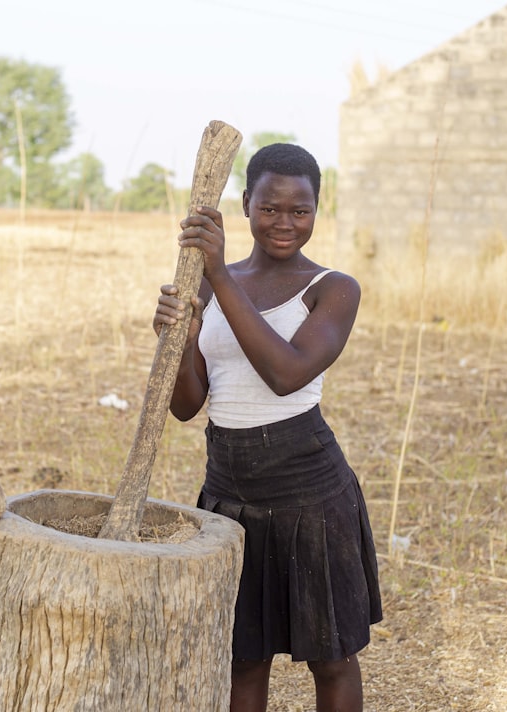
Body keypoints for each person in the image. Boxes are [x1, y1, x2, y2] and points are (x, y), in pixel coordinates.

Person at [153, 143, 382, 712]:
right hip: (228, 494)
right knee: (242, 656)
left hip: (309, 491)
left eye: (299, 211)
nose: (284, 223)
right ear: (246, 205)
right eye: (270, 208)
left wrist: (218, 277)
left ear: (316, 211)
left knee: (330, 657)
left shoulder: (332, 288)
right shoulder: (208, 283)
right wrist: (178, 346)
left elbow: (286, 374)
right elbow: (187, 407)